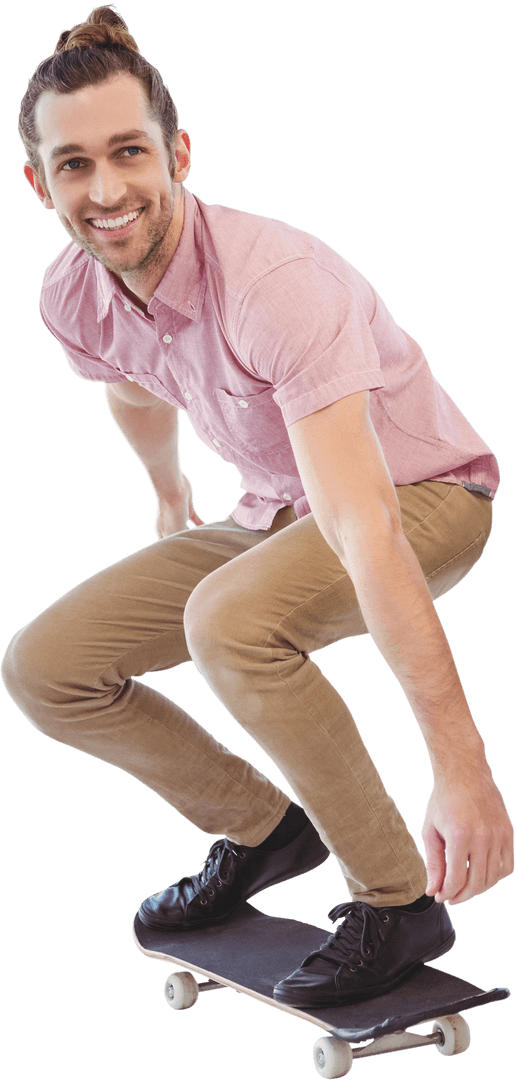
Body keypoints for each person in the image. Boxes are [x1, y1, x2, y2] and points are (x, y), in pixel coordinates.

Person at [2, 5, 512, 1009]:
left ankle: (393, 901)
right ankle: (263, 829)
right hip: (269, 508)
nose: (105, 192)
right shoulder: (74, 289)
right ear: (38, 182)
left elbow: (363, 526)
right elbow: (133, 383)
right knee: (45, 669)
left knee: (227, 621)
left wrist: (463, 771)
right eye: (72, 165)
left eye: (128, 152)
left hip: (422, 497)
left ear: (178, 153)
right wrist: (170, 496)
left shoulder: (276, 284)